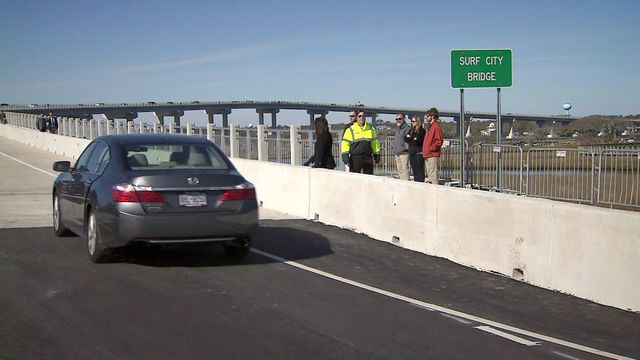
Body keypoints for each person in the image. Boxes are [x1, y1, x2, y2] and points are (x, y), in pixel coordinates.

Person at [422, 107, 443, 185]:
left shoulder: (436, 126)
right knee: (429, 174)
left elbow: (439, 141)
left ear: (432, 116)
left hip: (432, 154)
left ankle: (435, 191)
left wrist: (431, 148)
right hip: (427, 153)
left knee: (433, 175)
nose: (425, 118)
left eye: (427, 116)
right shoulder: (429, 126)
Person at [406, 114, 426, 182]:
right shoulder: (411, 130)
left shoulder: (422, 131)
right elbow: (405, 138)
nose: (412, 122)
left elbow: (418, 141)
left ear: (418, 121)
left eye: (413, 121)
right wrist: (412, 139)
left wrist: (410, 138)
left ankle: (421, 184)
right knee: (414, 171)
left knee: (419, 171)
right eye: (411, 121)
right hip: (412, 152)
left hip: (418, 153)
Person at [392, 113, 410, 180]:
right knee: (399, 169)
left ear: (404, 119)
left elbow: (409, 140)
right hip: (397, 152)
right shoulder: (397, 128)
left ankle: (407, 183)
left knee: (405, 169)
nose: (398, 120)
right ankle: (402, 183)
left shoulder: (407, 128)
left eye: (399, 119)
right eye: (396, 119)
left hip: (404, 153)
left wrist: (404, 147)